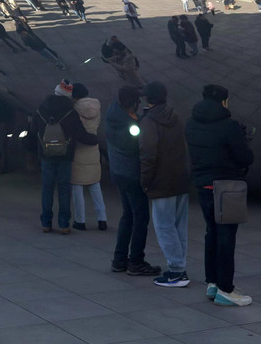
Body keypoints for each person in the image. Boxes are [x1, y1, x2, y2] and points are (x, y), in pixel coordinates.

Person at [185, 84, 254, 306]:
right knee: (226, 237)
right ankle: (226, 289)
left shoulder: (191, 123)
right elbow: (245, 158)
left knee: (211, 233)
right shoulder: (228, 125)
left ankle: (212, 283)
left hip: (204, 185)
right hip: (227, 187)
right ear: (224, 102)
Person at [139, 81, 191, 288]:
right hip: (180, 179)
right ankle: (180, 267)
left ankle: (177, 271)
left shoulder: (149, 121)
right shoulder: (174, 117)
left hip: (161, 181)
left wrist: (145, 180)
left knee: (164, 226)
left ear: (147, 98)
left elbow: (147, 154)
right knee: (179, 226)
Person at [106, 86, 159, 276]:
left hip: (119, 173)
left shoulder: (112, 115)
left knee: (127, 216)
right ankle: (136, 261)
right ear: (133, 103)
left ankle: (119, 259)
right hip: (132, 176)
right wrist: (142, 122)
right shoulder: (129, 125)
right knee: (140, 217)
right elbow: (139, 147)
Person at [34, 81, 98, 234]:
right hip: (65, 155)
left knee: (47, 189)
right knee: (64, 189)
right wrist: (95, 140)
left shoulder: (40, 109)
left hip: (46, 154)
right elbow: (80, 134)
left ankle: (46, 223)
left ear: (55, 91)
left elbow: (33, 130)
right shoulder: (71, 112)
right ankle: (64, 224)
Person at [70, 83, 107, 231]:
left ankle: (80, 220)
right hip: (93, 148)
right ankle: (102, 218)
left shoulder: (74, 109)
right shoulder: (96, 106)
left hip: (78, 149)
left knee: (77, 187)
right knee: (94, 184)